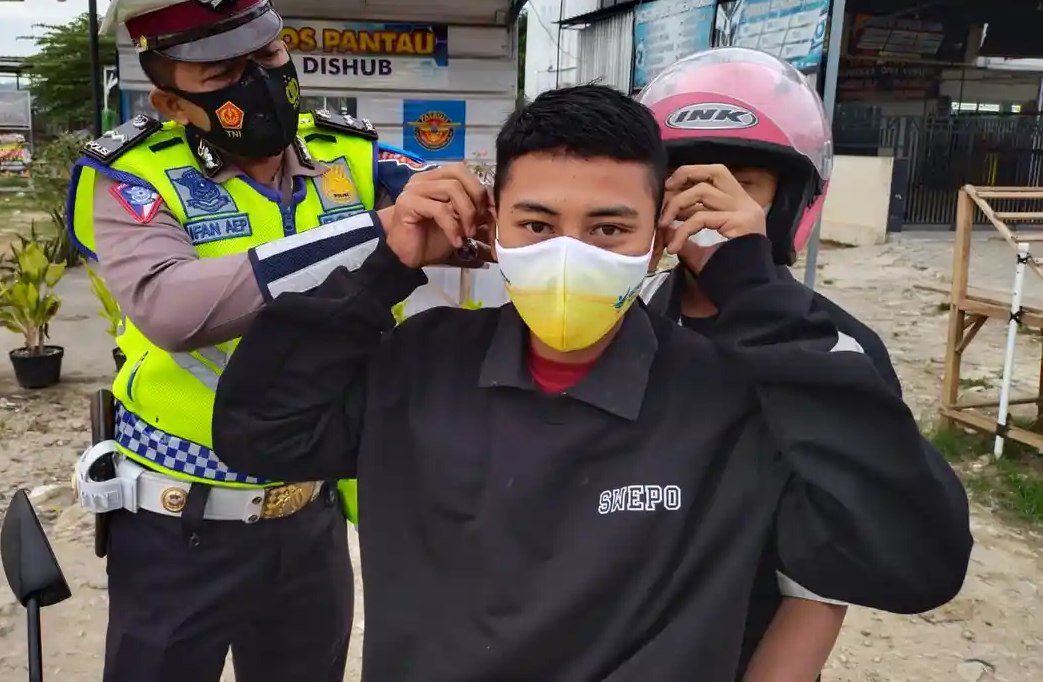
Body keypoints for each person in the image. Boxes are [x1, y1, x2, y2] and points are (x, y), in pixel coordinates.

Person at [211, 84, 973, 680]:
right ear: (489, 225)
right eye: (537, 225)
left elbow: (912, 561)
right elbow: (259, 431)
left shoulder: (735, 395)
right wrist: (384, 271)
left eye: (609, 229)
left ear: (658, 245)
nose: (570, 253)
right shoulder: (420, 363)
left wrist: (758, 290)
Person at [65, 0, 471, 682]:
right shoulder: (129, 177)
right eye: (222, 74)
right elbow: (172, 309)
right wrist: (374, 239)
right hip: (176, 527)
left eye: (268, 53)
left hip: (309, 521)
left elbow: (458, 207)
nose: (259, 79)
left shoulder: (350, 153)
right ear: (169, 99)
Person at [635, 47, 933, 681]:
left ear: (790, 202)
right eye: (685, 181)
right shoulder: (629, 319)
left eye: (744, 183)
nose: (711, 204)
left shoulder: (827, 347)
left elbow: (821, 582)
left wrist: (748, 288)